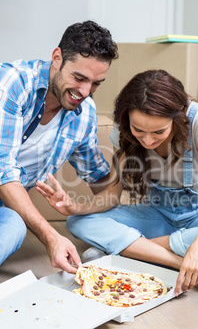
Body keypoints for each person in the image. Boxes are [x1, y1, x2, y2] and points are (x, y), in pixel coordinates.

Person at [36, 69, 198, 294]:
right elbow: (112, 194)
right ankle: (182, 262)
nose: (147, 140)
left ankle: (126, 251)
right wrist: (77, 207)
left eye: (159, 131)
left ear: (177, 116)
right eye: (138, 130)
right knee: (77, 222)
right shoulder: (124, 125)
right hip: (156, 212)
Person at [0, 20, 118, 273]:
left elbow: (99, 177)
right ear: (57, 58)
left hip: (3, 211)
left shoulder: (84, 114)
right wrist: (52, 237)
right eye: (79, 77)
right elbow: (3, 172)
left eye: (96, 83)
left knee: (14, 226)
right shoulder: (14, 83)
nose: (85, 91)